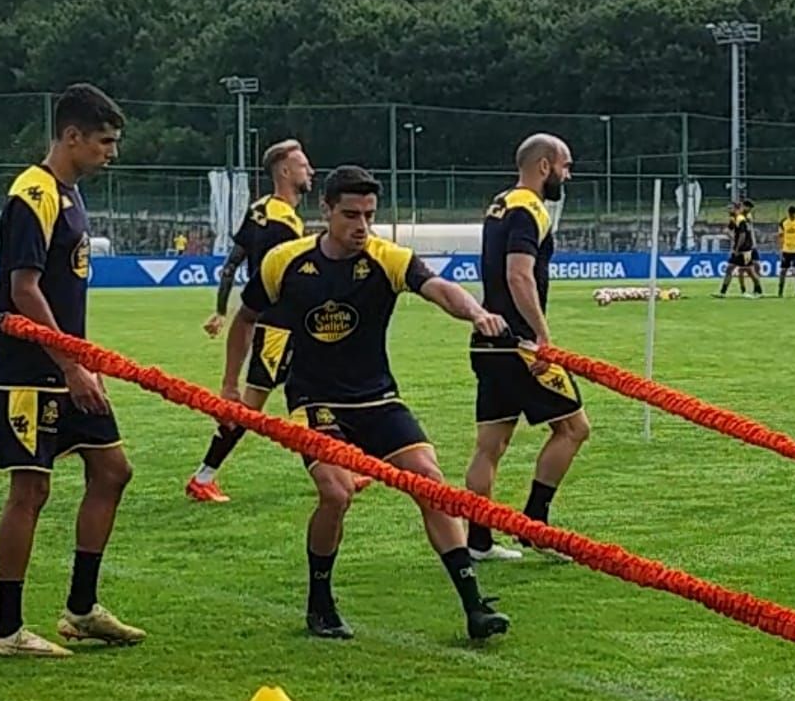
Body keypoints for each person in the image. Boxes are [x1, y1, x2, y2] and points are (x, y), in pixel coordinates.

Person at [234, 164, 513, 642]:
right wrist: (229, 385)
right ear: (325, 211)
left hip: (377, 397)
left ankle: (474, 606)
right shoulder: (286, 261)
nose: (361, 226)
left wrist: (477, 313)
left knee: (431, 482)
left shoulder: (387, 258)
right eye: (350, 215)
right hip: (315, 400)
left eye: (369, 215)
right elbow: (246, 318)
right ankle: (320, 603)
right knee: (336, 492)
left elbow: (439, 289)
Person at [0, 83, 143, 658]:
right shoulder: (33, 194)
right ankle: (7, 630)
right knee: (30, 490)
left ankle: (81, 608)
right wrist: (72, 364)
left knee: (112, 471)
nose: (111, 153)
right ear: (71, 136)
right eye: (104, 141)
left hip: (68, 364)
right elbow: (23, 289)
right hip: (29, 368)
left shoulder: (69, 193)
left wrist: (81, 362)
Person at [463, 134, 591, 564]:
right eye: (565, 166)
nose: (567, 176)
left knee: (491, 444)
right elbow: (519, 275)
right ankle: (535, 524)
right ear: (544, 166)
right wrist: (542, 336)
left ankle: (478, 540)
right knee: (574, 428)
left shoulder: (499, 205)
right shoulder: (529, 209)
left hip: (488, 342)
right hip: (519, 345)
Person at [186, 139, 316, 504]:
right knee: (251, 407)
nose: (311, 171)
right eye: (303, 165)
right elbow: (286, 282)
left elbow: (232, 264)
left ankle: (338, 471)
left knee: (312, 395)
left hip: (276, 322)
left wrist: (222, 309)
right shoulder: (283, 224)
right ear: (285, 172)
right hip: (278, 326)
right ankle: (203, 476)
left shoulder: (260, 209)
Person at [716, 201, 761, 298]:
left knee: (750, 271)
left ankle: (758, 291)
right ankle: (722, 292)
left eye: (730, 209)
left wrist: (737, 248)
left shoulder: (741, 219)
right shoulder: (736, 219)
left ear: (736, 209)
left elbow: (742, 235)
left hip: (744, 250)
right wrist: (734, 240)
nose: (728, 211)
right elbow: (729, 231)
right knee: (729, 269)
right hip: (740, 249)